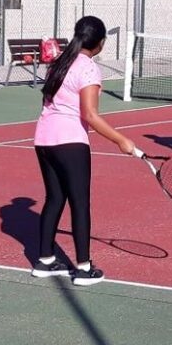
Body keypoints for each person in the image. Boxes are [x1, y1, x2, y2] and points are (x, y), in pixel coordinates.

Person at [31, 16, 135, 286]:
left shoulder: (60, 63)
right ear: (100, 44)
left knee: (54, 198)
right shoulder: (88, 68)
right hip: (70, 142)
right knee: (80, 203)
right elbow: (89, 114)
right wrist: (121, 140)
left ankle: (44, 261)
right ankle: (84, 268)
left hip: (43, 139)